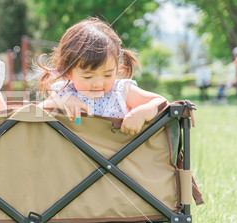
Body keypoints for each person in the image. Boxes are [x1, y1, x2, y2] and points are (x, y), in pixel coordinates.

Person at [38, 18, 167, 136]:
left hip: (116, 157)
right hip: (72, 159)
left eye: (108, 74)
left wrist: (142, 112)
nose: (99, 84)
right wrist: (61, 102)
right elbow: (36, 111)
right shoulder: (64, 92)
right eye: (88, 76)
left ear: (117, 68)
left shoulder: (120, 91)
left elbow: (161, 102)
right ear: (68, 72)